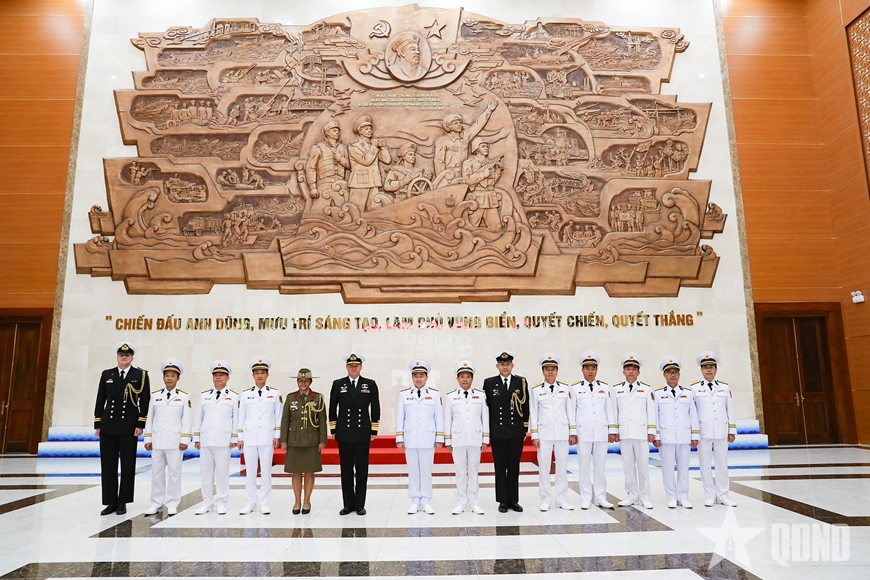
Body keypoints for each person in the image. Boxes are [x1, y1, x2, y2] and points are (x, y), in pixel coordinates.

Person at [94, 342, 150, 516]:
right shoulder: (107, 374)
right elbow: (100, 399)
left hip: (129, 427)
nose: (124, 357)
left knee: (127, 466)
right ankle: (110, 501)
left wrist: (140, 424)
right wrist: (98, 424)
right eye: (121, 355)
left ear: (132, 357)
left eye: (127, 355)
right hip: (108, 426)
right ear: (117, 357)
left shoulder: (140, 375)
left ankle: (123, 501)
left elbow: (145, 400)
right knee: (108, 465)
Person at [329, 353, 381, 515]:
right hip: (344, 432)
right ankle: (348, 504)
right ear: (346, 367)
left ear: (361, 367)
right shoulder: (338, 384)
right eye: (351, 365)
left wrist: (374, 429)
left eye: (356, 365)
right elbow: (332, 408)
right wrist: (333, 430)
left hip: (362, 432)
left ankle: (359, 504)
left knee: (361, 469)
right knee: (346, 470)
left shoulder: (370, 384)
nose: (353, 368)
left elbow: (375, 407)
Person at [143, 358, 191, 517]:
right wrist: (148, 439)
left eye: (173, 375)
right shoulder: (155, 395)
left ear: (178, 378)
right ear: (163, 378)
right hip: (157, 440)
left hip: (175, 441)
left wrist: (185, 439)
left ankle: (172, 503)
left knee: (174, 473)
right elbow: (149, 418)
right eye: (167, 375)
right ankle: (155, 503)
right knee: (156, 473)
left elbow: (187, 419)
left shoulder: (184, 396)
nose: (169, 378)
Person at [483, 351, 529, 513]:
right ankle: (503, 500)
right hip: (498, 432)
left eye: (508, 364)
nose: (505, 367)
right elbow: (486, 409)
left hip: (515, 432)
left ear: (512, 365)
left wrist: (524, 429)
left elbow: (525, 406)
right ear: (497, 366)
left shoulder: (520, 382)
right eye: (502, 364)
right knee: (500, 467)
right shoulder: (489, 383)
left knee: (514, 467)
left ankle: (514, 500)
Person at [570, 351, 617, 510]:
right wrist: (572, 432)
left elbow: (609, 409)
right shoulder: (575, 388)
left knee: (600, 467)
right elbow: (572, 411)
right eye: (587, 368)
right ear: (582, 370)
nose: (590, 371)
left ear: (597, 370)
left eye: (593, 368)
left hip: (601, 432)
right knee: (584, 466)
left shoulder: (604, 387)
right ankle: (585, 497)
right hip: (583, 432)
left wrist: (612, 430)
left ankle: (600, 497)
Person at [396, 360, 444, 514]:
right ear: (412, 377)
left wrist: (439, 437)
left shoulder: (434, 394)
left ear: (426, 377)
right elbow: (400, 416)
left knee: (426, 469)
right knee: (413, 470)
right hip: (410, 438)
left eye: (421, 376)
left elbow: (439, 417)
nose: (418, 379)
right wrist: (399, 437)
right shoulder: (404, 394)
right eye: (415, 376)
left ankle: (426, 499)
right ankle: (415, 499)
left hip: (428, 438)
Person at [691, 351, 737, 507]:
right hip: (703, 431)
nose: (709, 370)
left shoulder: (724, 387)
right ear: (701, 370)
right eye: (705, 367)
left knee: (722, 464)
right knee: (705, 465)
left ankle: (723, 495)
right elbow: (693, 413)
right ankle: (709, 495)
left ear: (716, 369)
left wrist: (732, 430)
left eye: (711, 367)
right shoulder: (694, 388)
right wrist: (694, 433)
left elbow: (730, 410)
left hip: (721, 430)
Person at [193, 360, 239, 515]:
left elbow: (236, 418)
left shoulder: (234, 396)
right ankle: (207, 502)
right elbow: (199, 417)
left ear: (228, 377)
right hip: (206, 439)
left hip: (223, 440)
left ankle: (222, 502)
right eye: (216, 375)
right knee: (205, 473)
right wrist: (197, 437)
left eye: (222, 375)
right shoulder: (205, 395)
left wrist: (234, 438)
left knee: (222, 473)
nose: (218, 377)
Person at [529, 353, 574, 511]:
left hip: (562, 431)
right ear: (543, 371)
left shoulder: (565, 388)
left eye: (553, 369)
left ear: (557, 371)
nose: (550, 372)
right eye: (547, 369)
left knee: (562, 466)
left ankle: (561, 498)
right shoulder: (536, 390)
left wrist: (572, 432)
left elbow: (570, 411)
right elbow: (533, 412)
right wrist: (534, 434)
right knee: (544, 466)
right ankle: (546, 499)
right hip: (544, 432)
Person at [238, 357, 283, 515]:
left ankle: (264, 502)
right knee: (250, 471)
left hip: (267, 436)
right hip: (249, 437)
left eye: (262, 373)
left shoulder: (275, 393)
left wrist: (277, 435)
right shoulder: (245, 394)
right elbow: (241, 416)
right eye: (256, 373)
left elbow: (278, 416)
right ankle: (250, 502)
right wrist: (240, 437)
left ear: (267, 375)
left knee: (266, 471)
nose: (259, 375)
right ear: (253, 375)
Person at [652, 357, 698, 509]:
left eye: (675, 372)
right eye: (669, 372)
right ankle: (671, 496)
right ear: (664, 375)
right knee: (667, 468)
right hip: (666, 437)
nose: (673, 375)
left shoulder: (688, 393)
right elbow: (655, 416)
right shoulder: (657, 393)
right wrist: (657, 435)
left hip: (684, 436)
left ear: (679, 374)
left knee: (683, 468)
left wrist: (694, 435)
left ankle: (683, 497)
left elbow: (693, 415)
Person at [611, 353, 656, 509]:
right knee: (628, 465)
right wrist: (614, 430)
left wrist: (651, 430)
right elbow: (614, 411)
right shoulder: (616, 390)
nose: (631, 371)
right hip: (624, 432)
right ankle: (632, 495)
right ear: (623, 371)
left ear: (638, 372)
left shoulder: (646, 389)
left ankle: (645, 496)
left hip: (641, 432)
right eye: (628, 369)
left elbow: (651, 411)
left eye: (634, 369)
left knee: (643, 465)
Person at [280, 368, 327, 515]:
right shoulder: (290, 398)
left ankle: (307, 501)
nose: (303, 383)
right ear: (297, 382)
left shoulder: (318, 398)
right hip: (294, 440)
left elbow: (322, 421)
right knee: (295, 472)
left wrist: (322, 440)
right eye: (300, 381)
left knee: (309, 471)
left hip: (312, 440)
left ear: (310, 382)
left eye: (306, 381)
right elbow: (285, 421)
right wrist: (283, 441)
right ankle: (297, 501)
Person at [444, 360, 488, 515]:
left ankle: (474, 502)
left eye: (468, 377)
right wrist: (448, 440)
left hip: (475, 438)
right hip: (458, 438)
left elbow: (485, 417)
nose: (465, 379)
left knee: (474, 470)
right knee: (460, 471)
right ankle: (461, 502)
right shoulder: (450, 396)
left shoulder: (481, 395)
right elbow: (448, 419)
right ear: (457, 378)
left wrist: (485, 439)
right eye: (462, 377)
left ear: (472, 378)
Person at [434, 102, 497, 177]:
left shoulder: (465, 138)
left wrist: (488, 111)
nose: (459, 124)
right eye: (456, 123)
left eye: (460, 123)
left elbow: (477, 125)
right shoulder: (442, 141)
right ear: (449, 126)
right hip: (449, 175)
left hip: (464, 175)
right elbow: (439, 161)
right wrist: (441, 178)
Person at [347, 116, 391, 211]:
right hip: (360, 183)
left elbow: (387, 160)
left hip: (374, 182)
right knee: (356, 211)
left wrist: (383, 147)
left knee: (374, 212)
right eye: (366, 129)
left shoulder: (373, 145)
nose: (369, 131)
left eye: (370, 129)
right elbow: (366, 161)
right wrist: (374, 147)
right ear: (360, 131)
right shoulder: (354, 146)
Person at [462, 139, 504, 230]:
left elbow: (492, 182)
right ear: (476, 149)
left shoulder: (490, 163)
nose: (486, 148)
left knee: (497, 228)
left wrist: (498, 171)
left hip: (490, 199)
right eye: (483, 146)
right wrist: (484, 175)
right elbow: (467, 180)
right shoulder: (469, 163)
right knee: (470, 227)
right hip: (477, 199)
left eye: (487, 147)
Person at [305, 120, 350, 201]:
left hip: (341, 185)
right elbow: (311, 168)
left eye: (338, 131)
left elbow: (351, 165)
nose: (337, 132)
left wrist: (341, 160)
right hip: (324, 184)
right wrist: (312, 187)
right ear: (328, 133)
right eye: (334, 130)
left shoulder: (343, 148)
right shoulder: (318, 148)